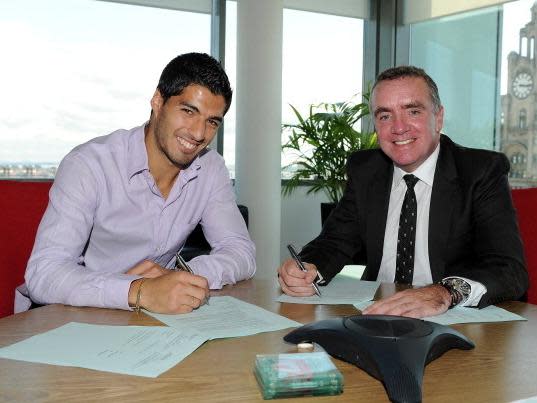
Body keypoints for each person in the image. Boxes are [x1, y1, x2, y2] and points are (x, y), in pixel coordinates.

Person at [278, 65, 528, 318]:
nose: (399, 127)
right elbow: (335, 242)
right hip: (376, 313)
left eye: (413, 111)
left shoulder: (480, 171)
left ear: (438, 118)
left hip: (453, 318)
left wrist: (444, 292)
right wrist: (308, 268)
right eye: (385, 116)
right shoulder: (366, 170)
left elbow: (508, 269)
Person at [17, 52, 256, 314]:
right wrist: (138, 290)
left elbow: (240, 252)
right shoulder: (89, 164)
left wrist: (180, 276)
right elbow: (45, 273)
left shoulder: (210, 169)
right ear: (157, 101)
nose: (199, 134)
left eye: (212, 122)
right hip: (70, 316)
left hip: (149, 321)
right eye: (188, 111)